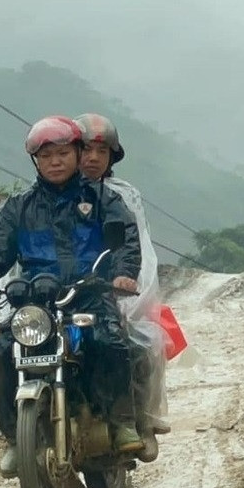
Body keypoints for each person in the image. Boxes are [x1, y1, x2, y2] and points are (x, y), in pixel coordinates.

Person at [0, 115, 144, 477]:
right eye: (45, 156)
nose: (55, 162)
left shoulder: (103, 198)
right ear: (35, 162)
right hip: (34, 300)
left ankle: (121, 422)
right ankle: (15, 437)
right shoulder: (17, 207)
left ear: (75, 152)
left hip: (88, 293)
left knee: (110, 341)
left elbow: (125, 242)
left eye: (61, 153)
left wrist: (122, 274)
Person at [74, 112, 172, 458]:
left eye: (102, 152)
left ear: (112, 157)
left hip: (111, 292)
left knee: (143, 343)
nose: (93, 158)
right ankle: (15, 429)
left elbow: (139, 248)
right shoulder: (49, 195)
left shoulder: (124, 197)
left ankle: (141, 422)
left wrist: (130, 293)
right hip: (61, 294)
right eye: (85, 149)